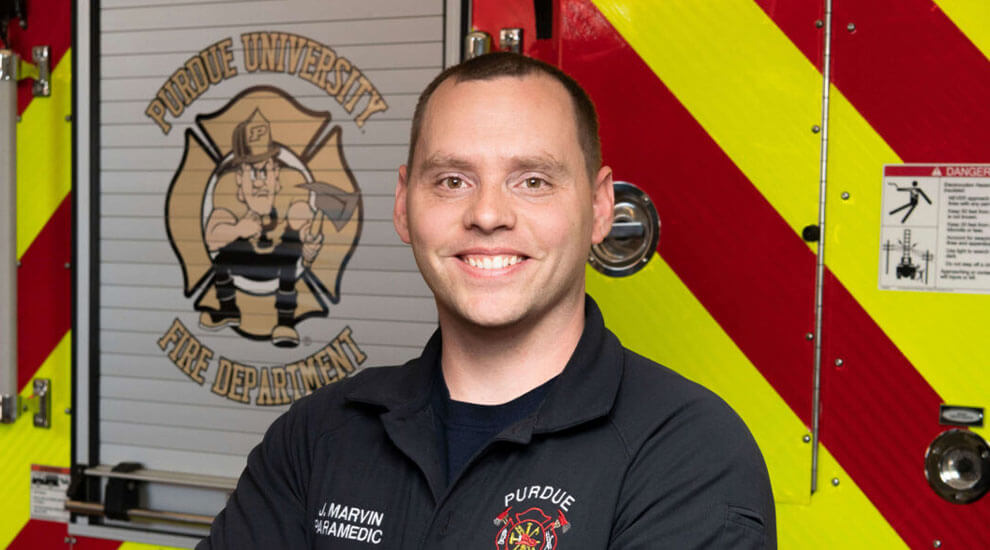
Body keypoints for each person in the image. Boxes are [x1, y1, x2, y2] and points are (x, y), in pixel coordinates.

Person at [198, 52, 775, 549]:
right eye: (452, 180)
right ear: (404, 205)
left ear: (599, 209)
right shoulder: (319, 435)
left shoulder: (687, 451)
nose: (488, 215)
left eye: (533, 180)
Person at [200, 108, 323, 347]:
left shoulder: (293, 185)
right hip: (246, 263)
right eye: (251, 171)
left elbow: (302, 217)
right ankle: (229, 309)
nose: (259, 181)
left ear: (276, 172)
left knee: (291, 247)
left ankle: (285, 321)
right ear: (238, 177)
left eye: (265, 169)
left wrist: (310, 242)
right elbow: (211, 237)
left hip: (279, 262)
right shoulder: (226, 190)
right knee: (222, 258)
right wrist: (238, 229)